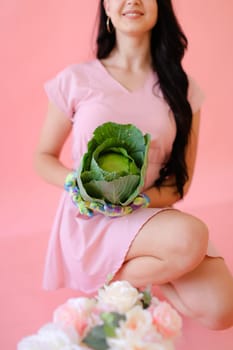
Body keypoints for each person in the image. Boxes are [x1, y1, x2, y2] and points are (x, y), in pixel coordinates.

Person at [35, 0, 233, 330]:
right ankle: (116, 285)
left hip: (146, 215)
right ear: (107, 8)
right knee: (191, 236)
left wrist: (132, 203)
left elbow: (177, 185)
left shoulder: (181, 88)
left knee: (221, 308)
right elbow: (42, 157)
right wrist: (78, 185)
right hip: (89, 218)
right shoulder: (76, 79)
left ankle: (125, 281)